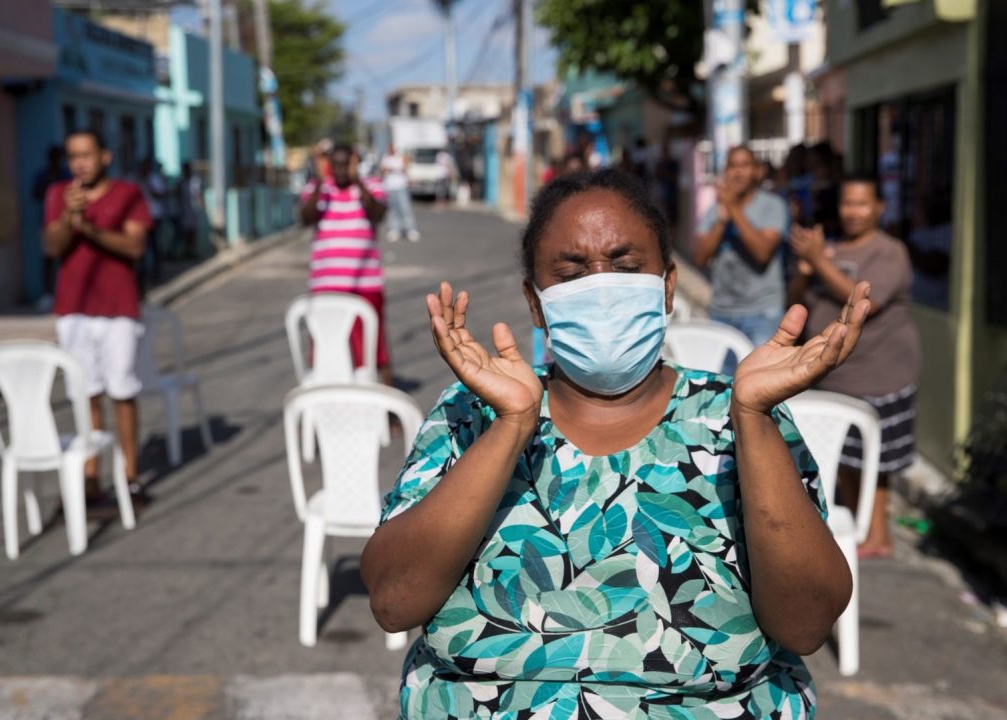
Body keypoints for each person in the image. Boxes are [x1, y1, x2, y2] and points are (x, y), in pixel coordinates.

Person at [363, 168, 869, 718]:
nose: (601, 287)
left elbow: (806, 622)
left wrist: (752, 416)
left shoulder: (742, 416)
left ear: (668, 286)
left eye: (626, 267)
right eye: (572, 273)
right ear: (536, 304)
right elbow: (394, 600)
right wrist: (511, 426)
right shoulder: (472, 413)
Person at [788, 175, 920, 559]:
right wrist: (805, 271)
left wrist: (817, 260)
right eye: (848, 203)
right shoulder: (830, 248)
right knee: (844, 456)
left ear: (880, 207)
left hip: (881, 373)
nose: (853, 212)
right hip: (835, 375)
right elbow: (796, 298)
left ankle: (878, 535)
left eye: (863, 203)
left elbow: (864, 302)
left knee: (876, 460)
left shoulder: (890, 252)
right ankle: (856, 525)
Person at [43, 129, 153, 512]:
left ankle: (130, 475)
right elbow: (53, 248)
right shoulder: (58, 195)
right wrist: (70, 216)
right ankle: (91, 476)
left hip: (118, 308)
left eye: (87, 155)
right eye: (73, 156)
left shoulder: (128, 194)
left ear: (104, 156)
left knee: (122, 391)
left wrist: (89, 228)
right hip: (73, 310)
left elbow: (134, 247)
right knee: (84, 394)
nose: (80, 163)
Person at [299, 143, 393, 384]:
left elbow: (378, 213)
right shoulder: (318, 189)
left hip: (366, 286)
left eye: (345, 164)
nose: (340, 170)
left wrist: (358, 180)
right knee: (325, 351)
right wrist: (321, 182)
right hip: (325, 287)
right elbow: (306, 217)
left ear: (353, 164)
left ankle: (388, 411)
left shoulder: (370, 186)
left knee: (374, 350)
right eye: (336, 164)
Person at [694, 145, 790, 348]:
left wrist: (733, 209)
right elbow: (700, 258)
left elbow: (762, 253)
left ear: (758, 171)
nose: (738, 172)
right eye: (732, 166)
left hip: (762, 312)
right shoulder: (714, 211)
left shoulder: (772, 206)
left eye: (745, 165)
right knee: (724, 379)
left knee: (761, 378)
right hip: (721, 312)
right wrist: (721, 222)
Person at [32, 145, 71, 309]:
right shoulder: (43, 175)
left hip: (67, 222)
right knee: (48, 259)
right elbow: (34, 194)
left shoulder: (66, 175)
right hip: (47, 222)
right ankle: (48, 294)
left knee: (66, 259)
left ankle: (66, 293)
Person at [381, 144, 420, 242]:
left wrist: (394, 168)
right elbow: (383, 169)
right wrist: (391, 169)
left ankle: (410, 229)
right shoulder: (386, 158)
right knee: (393, 210)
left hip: (401, 186)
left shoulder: (400, 157)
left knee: (405, 208)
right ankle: (394, 229)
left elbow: (406, 166)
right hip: (390, 187)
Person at [176, 161, 203, 259]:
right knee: (186, 231)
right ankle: (187, 251)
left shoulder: (194, 181)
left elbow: (198, 195)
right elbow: (178, 194)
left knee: (193, 231)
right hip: (185, 209)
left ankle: (192, 250)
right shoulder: (181, 182)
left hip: (193, 209)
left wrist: (201, 207)